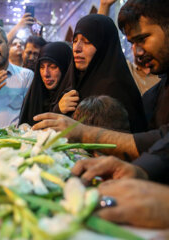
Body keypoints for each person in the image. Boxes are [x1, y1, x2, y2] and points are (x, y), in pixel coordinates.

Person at [33, 0, 169, 181]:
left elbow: (158, 139)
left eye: (143, 39)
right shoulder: (155, 94)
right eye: (132, 43)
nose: (137, 52)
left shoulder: (116, 88)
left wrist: (83, 133)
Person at [52, 14, 147, 133]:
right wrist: (59, 109)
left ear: (104, 47)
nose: (77, 48)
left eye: (87, 42)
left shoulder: (115, 89)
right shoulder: (74, 80)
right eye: (75, 41)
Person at [98, 0, 161, 95]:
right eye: (133, 43)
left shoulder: (162, 69)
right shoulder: (127, 72)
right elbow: (101, 50)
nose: (140, 51)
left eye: (142, 39)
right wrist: (104, 6)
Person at [19, 42, 72, 126]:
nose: (45, 74)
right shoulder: (36, 96)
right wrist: (57, 109)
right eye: (42, 67)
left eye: (53, 66)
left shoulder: (72, 97)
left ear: (65, 67)